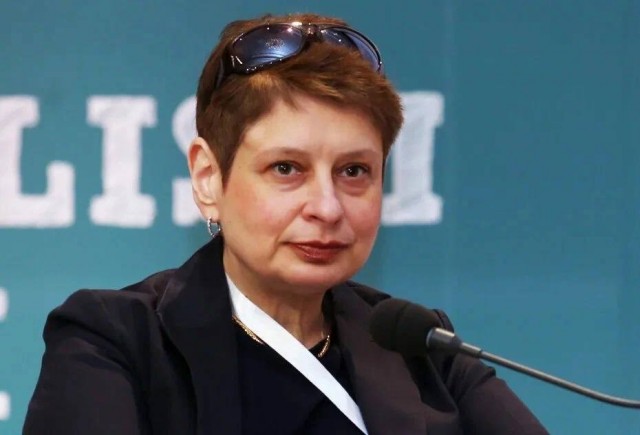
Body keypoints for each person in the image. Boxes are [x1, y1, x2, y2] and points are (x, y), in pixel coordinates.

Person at [24, 12, 548, 435]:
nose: (327, 207)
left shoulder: (422, 350)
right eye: (286, 168)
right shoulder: (114, 342)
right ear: (208, 178)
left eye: (353, 171)